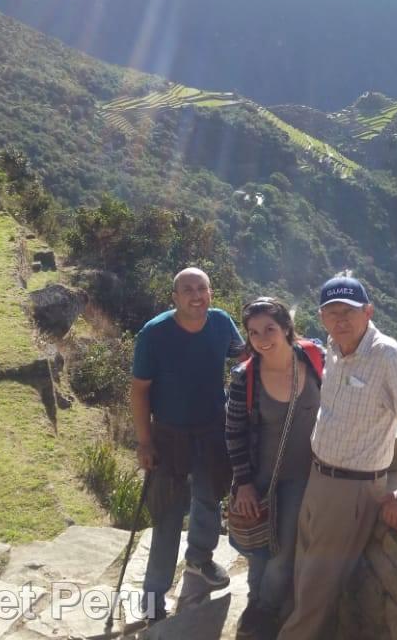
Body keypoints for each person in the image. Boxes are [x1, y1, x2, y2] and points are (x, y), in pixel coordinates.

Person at [276, 276, 397, 640]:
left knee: (315, 591)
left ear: (368, 311)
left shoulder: (387, 356)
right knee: (303, 573)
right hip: (319, 479)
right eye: (332, 313)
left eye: (348, 312)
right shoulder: (333, 347)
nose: (340, 321)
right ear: (322, 318)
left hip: (352, 491)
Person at [131, 267, 246, 623]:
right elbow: (139, 390)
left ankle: (199, 561)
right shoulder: (154, 333)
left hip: (212, 430)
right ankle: (153, 599)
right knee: (167, 515)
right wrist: (145, 441)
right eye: (187, 290)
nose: (196, 295)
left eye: (202, 288)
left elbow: (246, 357)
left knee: (209, 501)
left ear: (211, 293)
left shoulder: (221, 322)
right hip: (168, 435)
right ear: (175, 297)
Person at [226, 298, 324, 639]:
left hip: (302, 477)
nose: (262, 338)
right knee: (258, 550)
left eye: (269, 328)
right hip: (261, 477)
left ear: (286, 327)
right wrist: (244, 484)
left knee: (283, 551)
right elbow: (234, 432)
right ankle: (258, 604)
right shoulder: (245, 378)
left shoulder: (314, 359)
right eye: (254, 332)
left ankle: (264, 612)